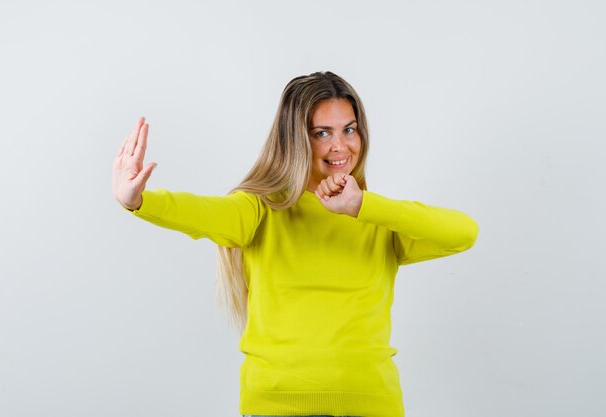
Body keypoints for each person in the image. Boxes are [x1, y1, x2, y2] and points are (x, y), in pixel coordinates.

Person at [112, 71, 478, 417]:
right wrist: (139, 201)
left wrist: (363, 205)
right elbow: (203, 212)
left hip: (371, 404)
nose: (340, 146)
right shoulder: (260, 210)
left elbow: (463, 232)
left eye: (349, 129)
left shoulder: (377, 220)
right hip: (275, 405)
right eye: (321, 133)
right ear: (295, 139)